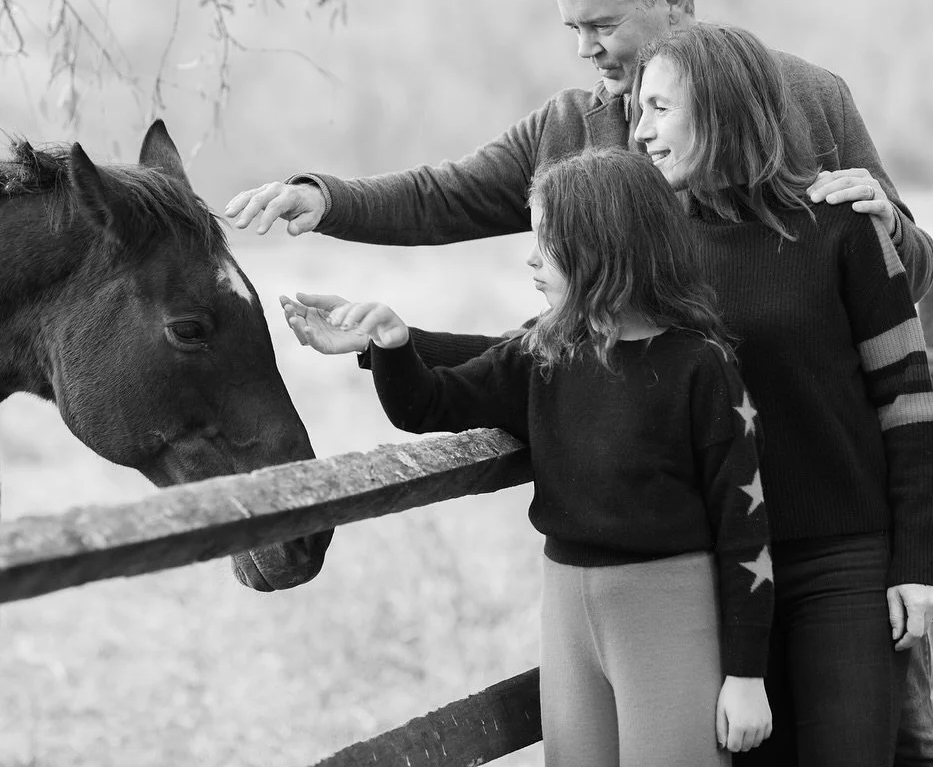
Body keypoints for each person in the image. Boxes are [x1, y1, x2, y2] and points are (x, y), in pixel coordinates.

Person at [228, 0, 933, 765]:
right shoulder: (577, 133)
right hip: (706, 553)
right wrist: (335, 210)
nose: (586, 49)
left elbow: (906, 297)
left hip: (836, 528)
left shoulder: (808, 102)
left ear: (674, 0)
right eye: (572, 28)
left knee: (891, 742)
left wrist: (880, 223)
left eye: (601, 24)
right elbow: (463, 219)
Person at [289, 147, 775, 765]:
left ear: (604, 248)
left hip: (669, 611)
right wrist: (391, 344)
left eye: (548, 240)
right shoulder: (543, 352)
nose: (531, 256)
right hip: (568, 610)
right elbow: (430, 406)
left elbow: (746, 527)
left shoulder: (701, 367)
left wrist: (746, 677)